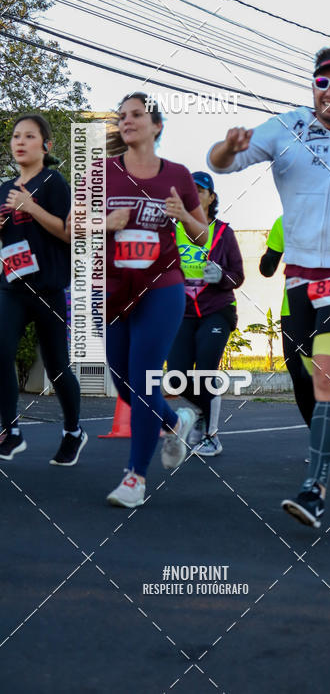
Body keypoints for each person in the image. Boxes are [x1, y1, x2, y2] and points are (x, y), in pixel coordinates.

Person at [208, 46, 330, 529]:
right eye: (323, 81)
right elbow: (223, 164)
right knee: (311, 384)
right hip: (300, 276)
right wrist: (229, 146)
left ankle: (314, 488)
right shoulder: (285, 127)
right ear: (312, 85)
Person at [105, 93, 209, 507]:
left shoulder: (179, 175)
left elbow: (202, 235)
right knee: (127, 385)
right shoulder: (103, 172)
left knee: (145, 377)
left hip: (162, 287)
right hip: (115, 291)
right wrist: (103, 222)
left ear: (157, 125)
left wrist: (183, 215)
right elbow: (73, 227)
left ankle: (135, 479)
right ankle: (175, 419)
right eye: (122, 116)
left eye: (136, 115)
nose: (126, 121)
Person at [0, 114, 86, 465]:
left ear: (45, 145)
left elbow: (68, 232)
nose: (20, 141)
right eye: (16, 136)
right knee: (0, 351)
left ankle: (73, 431)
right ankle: (12, 431)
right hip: (11, 286)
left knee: (57, 367)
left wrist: (30, 208)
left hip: (47, 288)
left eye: (29, 136)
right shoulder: (4, 189)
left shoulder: (53, 182)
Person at [168, 170, 244, 456]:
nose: (194, 194)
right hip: (182, 312)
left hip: (216, 309)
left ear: (211, 197)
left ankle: (212, 436)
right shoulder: (172, 230)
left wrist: (221, 276)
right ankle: (203, 409)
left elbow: (238, 276)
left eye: (200, 190)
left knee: (206, 370)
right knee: (175, 377)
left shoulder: (223, 233)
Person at [259, 215, 315, 429]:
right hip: (292, 309)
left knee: (318, 374)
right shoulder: (284, 222)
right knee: (299, 377)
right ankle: (319, 435)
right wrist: (268, 261)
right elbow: (268, 268)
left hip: (326, 308)